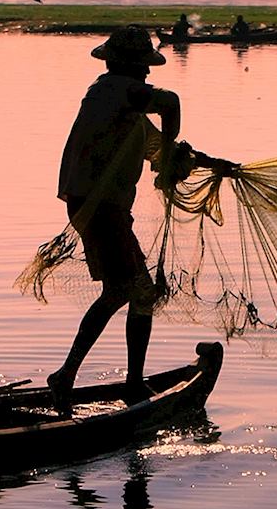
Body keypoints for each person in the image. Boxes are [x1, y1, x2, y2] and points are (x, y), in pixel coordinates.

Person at [50, 26, 186, 410]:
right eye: (142, 67)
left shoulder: (125, 107)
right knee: (125, 290)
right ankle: (66, 375)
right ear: (128, 66)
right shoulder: (112, 91)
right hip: (98, 207)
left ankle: (131, 382)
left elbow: (156, 148)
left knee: (139, 292)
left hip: (105, 207)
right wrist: (173, 144)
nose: (146, 74)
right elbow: (171, 103)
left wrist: (188, 160)